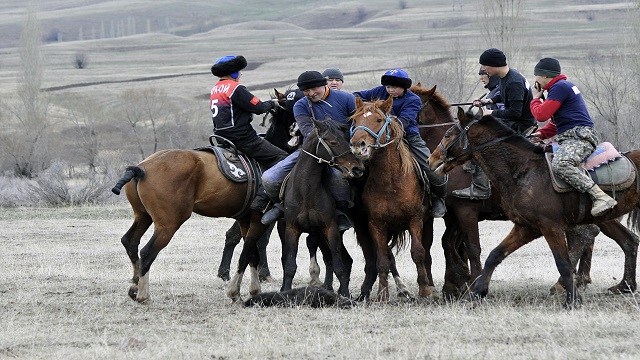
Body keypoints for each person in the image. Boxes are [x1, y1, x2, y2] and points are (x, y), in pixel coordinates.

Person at [261, 70, 357, 228]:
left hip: (341, 150)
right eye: (306, 91)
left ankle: (343, 212)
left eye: (315, 89)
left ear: (324, 85)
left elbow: (356, 125)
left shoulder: (346, 98)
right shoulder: (301, 105)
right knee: (269, 178)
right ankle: (281, 207)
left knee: (337, 177)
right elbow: (307, 131)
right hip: (310, 150)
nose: (311, 94)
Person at [529, 57, 617, 217]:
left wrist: (535, 98)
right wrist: (542, 134)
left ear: (544, 76)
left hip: (579, 138)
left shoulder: (559, 87)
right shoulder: (560, 87)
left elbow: (541, 115)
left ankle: (600, 197)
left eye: (537, 76)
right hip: (571, 135)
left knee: (561, 164)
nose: (536, 80)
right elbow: (557, 123)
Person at [353, 68, 447, 218]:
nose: (390, 90)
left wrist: (388, 125)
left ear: (404, 87)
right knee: (354, 164)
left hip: (409, 136)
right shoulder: (379, 91)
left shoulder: (413, 100)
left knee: (432, 167)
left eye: (394, 88)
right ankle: (354, 202)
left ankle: (439, 198)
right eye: (388, 87)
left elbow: (405, 121)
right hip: (378, 138)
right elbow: (355, 95)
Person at [209, 55, 288, 212]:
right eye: (239, 71)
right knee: (283, 159)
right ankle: (262, 198)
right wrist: (272, 103)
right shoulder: (236, 88)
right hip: (242, 138)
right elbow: (258, 107)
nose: (241, 74)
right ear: (233, 73)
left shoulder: (215, 89)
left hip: (221, 137)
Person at [455, 48, 536, 200]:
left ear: (493, 65)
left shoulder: (514, 82)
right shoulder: (507, 76)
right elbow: (504, 95)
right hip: (512, 120)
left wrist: (490, 113)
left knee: (480, 140)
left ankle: (481, 188)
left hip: (519, 125)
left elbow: (515, 112)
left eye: (484, 66)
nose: (483, 70)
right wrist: (490, 101)